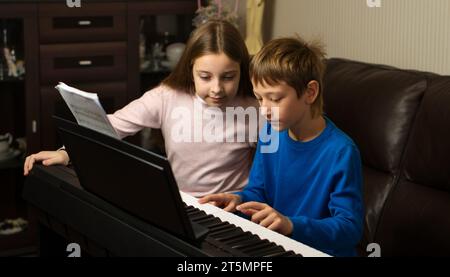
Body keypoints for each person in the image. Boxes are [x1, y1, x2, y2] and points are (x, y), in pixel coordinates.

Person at [24, 20, 258, 198]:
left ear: (241, 71)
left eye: (228, 77)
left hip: (232, 208)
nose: (217, 88)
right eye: (205, 76)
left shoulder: (256, 108)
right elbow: (112, 125)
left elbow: (270, 172)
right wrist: (66, 153)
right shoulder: (167, 97)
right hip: (183, 203)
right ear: (190, 68)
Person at [199, 37, 364, 256]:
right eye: (260, 99)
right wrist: (238, 199)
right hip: (277, 246)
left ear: (310, 93)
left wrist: (291, 225)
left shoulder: (341, 151)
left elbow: (349, 229)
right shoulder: (270, 132)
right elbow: (258, 191)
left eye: (275, 99)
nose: (265, 110)